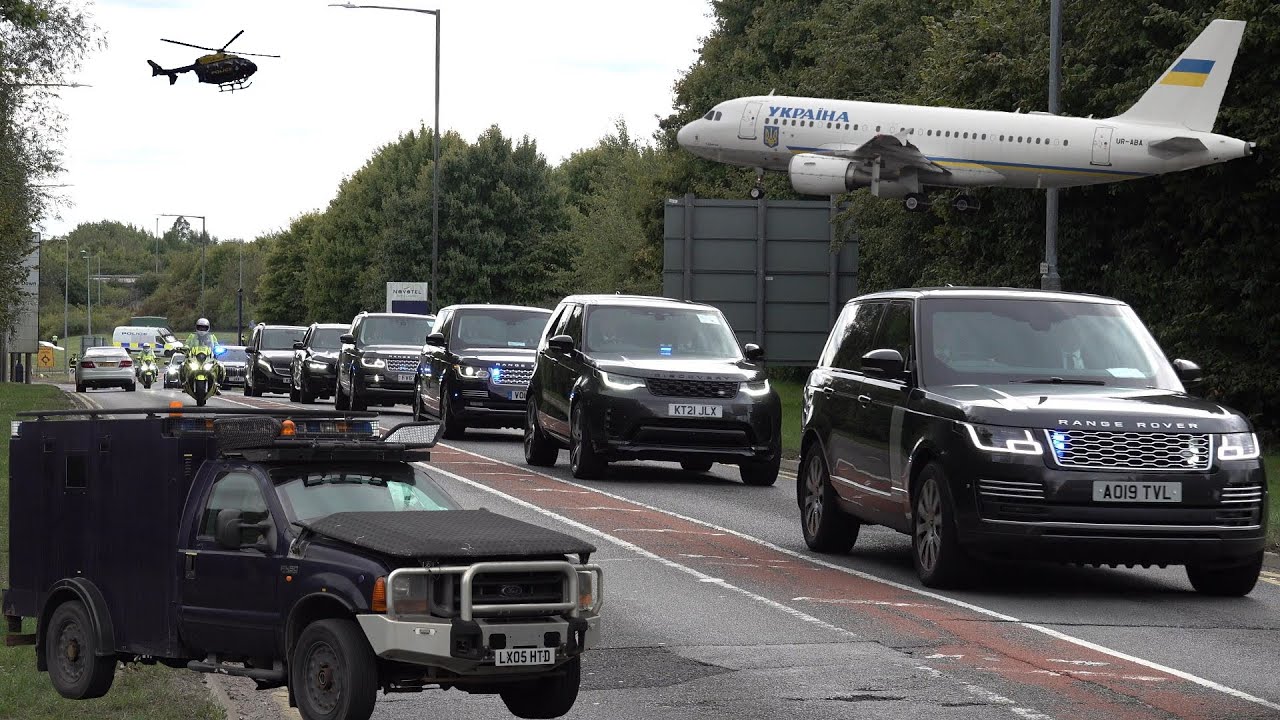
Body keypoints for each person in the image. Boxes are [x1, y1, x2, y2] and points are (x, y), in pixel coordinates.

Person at [182, 317, 225, 389]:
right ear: (196, 327)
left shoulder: (211, 336)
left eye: (204, 328)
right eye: (200, 327)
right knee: (183, 365)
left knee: (220, 366)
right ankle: (184, 382)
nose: (202, 330)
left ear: (208, 328)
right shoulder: (192, 336)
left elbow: (216, 344)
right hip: (194, 357)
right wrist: (185, 347)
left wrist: (218, 349)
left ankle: (218, 384)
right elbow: (187, 343)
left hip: (208, 358)